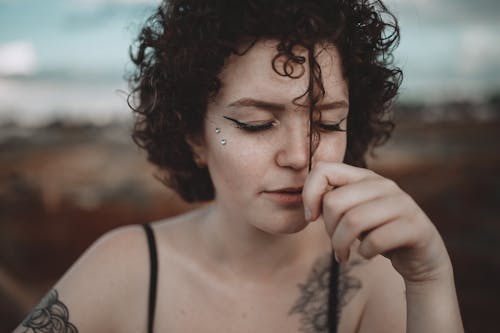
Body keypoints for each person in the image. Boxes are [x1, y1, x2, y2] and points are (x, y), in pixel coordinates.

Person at [13, 0, 464, 332]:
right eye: (256, 123)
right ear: (193, 135)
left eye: (328, 122)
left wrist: (430, 277)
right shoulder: (126, 267)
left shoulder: (376, 278)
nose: (299, 156)